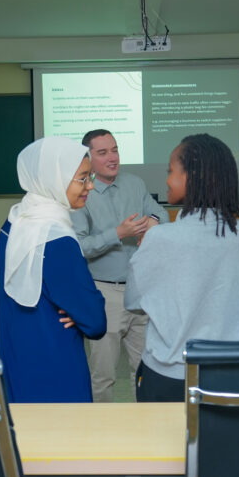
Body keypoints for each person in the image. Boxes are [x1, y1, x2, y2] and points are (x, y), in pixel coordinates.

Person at [126, 134, 239, 402]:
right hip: (231, 370)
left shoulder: (161, 237)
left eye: (171, 171)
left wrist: (148, 244)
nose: (166, 180)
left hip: (172, 374)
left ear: (193, 177)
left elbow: (134, 301)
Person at [0, 136, 106, 402]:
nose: (90, 185)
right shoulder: (57, 239)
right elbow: (94, 322)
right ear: (53, 177)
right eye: (82, 178)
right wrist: (82, 311)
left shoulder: (13, 223)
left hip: (16, 355)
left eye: (90, 176)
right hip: (56, 363)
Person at [71, 129, 169, 402]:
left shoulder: (134, 184)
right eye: (103, 153)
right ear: (88, 158)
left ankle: (145, 430)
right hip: (105, 294)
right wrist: (118, 233)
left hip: (141, 291)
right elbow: (79, 246)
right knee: (103, 375)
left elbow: (161, 213)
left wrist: (154, 222)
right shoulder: (81, 193)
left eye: (114, 150)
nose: (112, 157)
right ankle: (101, 437)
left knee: (145, 371)